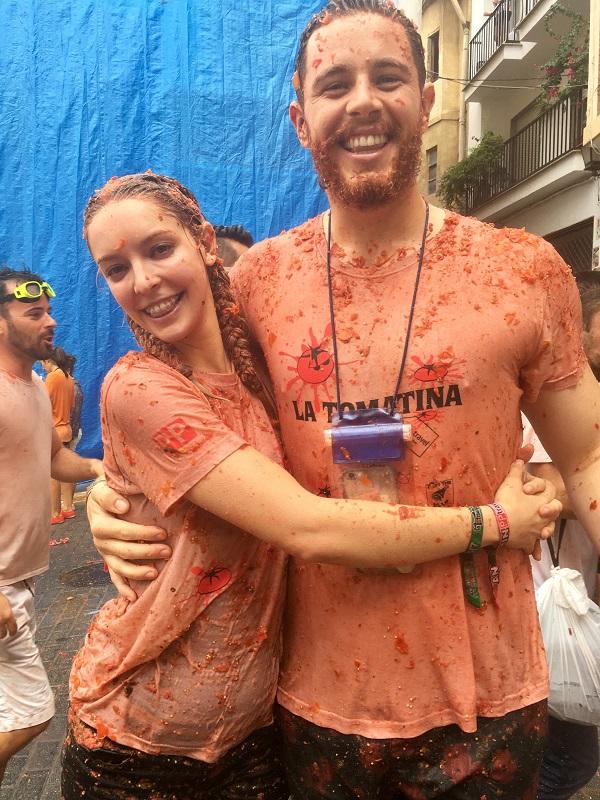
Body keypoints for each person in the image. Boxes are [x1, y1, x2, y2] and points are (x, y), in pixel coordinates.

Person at [88, 2, 600, 796]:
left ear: (426, 101)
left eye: (388, 76)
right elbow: (174, 409)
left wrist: (557, 484)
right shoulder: (252, 287)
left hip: (492, 700)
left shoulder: (524, 269)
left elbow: (590, 451)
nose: (362, 100)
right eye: (335, 84)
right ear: (301, 119)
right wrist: (107, 502)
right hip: (313, 703)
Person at [63, 171, 559, 800]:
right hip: (139, 741)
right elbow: (307, 526)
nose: (144, 280)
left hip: (256, 734)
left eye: (159, 249)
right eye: (116, 268)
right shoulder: (138, 387)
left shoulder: (261, 376)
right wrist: (498, 522)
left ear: (204, 242)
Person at [0, 268, 103, 786]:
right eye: (33, 313)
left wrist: (101, 468)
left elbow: (55, 458)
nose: (51, 322)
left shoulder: (37, 385)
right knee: (31, 712)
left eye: (48, 311)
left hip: (21, 579)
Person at [523, 283, 600, 800]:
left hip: (582, 598)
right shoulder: (543, 404)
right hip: (542, 605)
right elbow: (546, 487)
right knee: (566, 755)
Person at [41, 347, 75, 523]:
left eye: (43, 364)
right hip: (66, 428)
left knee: (53, 474)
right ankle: (68, 507)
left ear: (48, 361)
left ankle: (55, 513)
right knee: (66, 471)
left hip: (54, 430)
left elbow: (42, 403)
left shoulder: (52, 377)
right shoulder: (68, 378)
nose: (43, 368)